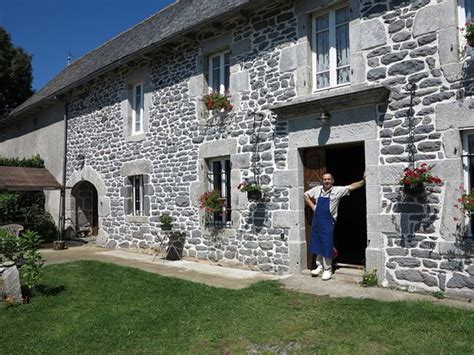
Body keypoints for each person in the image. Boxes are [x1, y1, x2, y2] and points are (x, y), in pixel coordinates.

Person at [303, 172, 366, 280]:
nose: (326, 181)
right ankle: (319, 266)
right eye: (324, 179)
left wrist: (363, 181)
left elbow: (351, 187)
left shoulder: (337, 190)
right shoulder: (317, 189)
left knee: (327, 244)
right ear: (322, 181)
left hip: (328, 221)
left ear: (332, 181)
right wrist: (313, 207)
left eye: (328, 179)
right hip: (317, 221)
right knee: (318, 242)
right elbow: (305, 195)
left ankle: (328, 270)